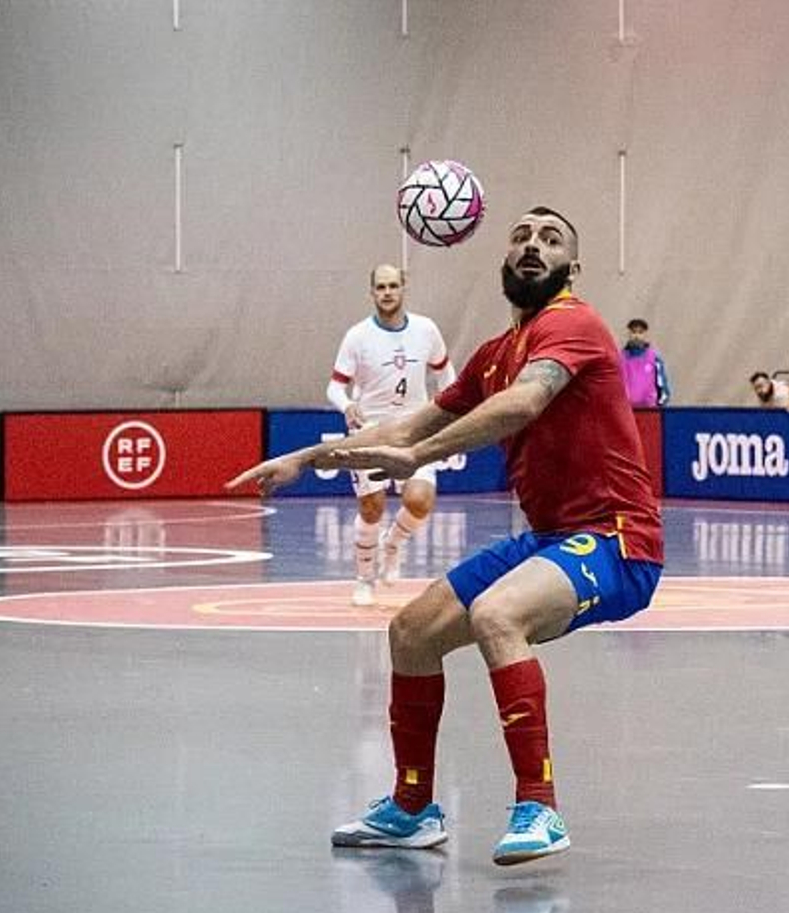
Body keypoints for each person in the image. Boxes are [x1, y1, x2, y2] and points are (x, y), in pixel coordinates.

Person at [229, 207, 663, 866]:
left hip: (616, 539)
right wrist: (309, 458)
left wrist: (418, 456)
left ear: (572, 267)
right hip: (550, 537)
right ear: (501, 261)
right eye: (521, 236)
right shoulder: (494, 354)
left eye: (550, 239)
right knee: (411, 631)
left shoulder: (573, 323)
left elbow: (522, 404)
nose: (532, 245)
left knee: (497, 613)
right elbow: (404, 427)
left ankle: (539, 805)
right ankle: (411, 808)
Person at [326, 264, 456, 606]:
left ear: (403, 288)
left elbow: (446, 375)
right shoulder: (357, 336)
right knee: (372, 507)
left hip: (415, 427)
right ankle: (364, 578)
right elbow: (335, 386)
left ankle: (393, 544)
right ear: (372, 291)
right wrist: (346, 406)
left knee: (419, 500)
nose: (387, 292)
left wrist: (448, 408)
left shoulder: (426, 330)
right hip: (370, 430)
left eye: (393, 285)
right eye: (381, 287)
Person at [619, 318, 670, 408]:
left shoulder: (654, 358)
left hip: (649, 411)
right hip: (627, 411)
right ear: (629, 334)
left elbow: (663, 388)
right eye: (633, 332)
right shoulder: (620, 358)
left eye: (640, 332)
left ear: (645, 335)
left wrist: (658, 407)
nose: (637, 336)